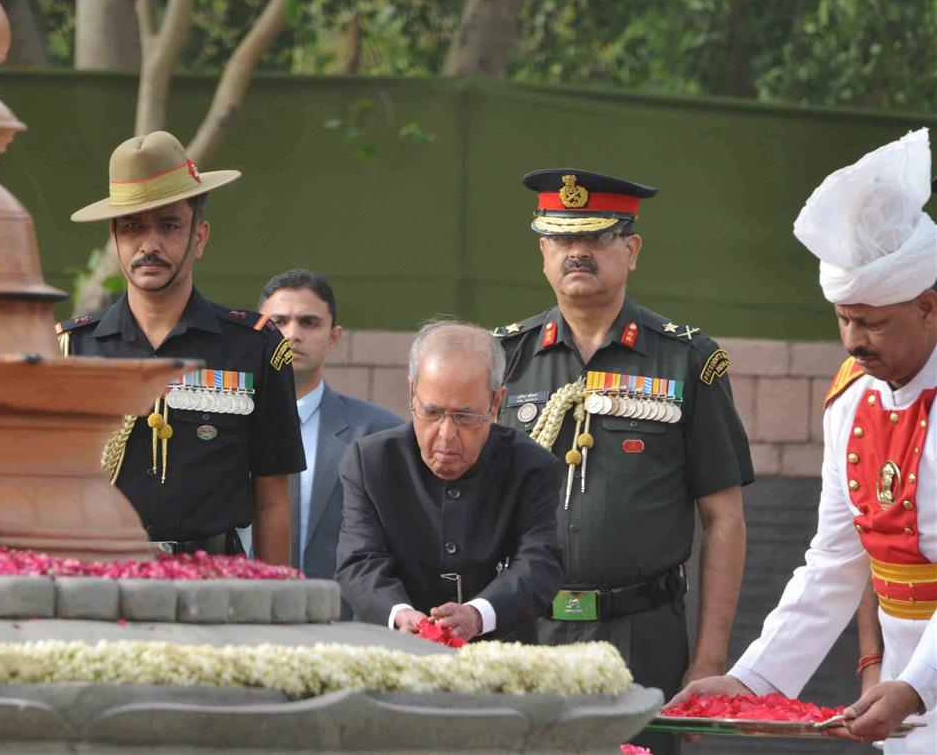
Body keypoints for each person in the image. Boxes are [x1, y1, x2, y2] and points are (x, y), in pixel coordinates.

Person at [674, 128, 936, 753]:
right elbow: (834, 562)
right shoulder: (851, 395)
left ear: (929, 306)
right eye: (843, 318)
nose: (853, 340)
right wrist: (752, 679)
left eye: (873, 322)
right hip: (904, 686)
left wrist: (918, 684)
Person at [492, 169, 753, 754]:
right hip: (523, 632)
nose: (577, 251)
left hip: (642, 636)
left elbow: (725, 519)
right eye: (561, 238)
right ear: (542, 253)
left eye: (596, 236)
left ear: (630, 250)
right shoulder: (503, 359)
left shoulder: (687, 360)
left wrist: (708, 657)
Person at [58, 131, 305, 564]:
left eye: (169, 225)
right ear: (114, 240)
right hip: (98, 580)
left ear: (199, 237)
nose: (149, 245)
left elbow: (272, 500)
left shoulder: (256, 347)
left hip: (215, 582)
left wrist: (273, 611)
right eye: (133, 227)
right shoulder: (70, 349)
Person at [335, 320, 564, 642]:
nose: (446, 435)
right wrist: (400, 615)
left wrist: (477, 615)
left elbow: (539, 563)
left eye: (465, 417)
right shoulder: (371, 462)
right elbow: (359, 560)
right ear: (413, 391)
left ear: (496, 404)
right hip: (390, 651)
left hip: (497, 660)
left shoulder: (531, 467)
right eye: (432, 412)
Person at [258, 269, 402, 595]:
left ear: (334, 337)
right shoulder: (226, 428)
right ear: (257, 331)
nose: (292, 334)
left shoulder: (380, 434)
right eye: (278, 322)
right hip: (242, 621)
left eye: (309, 322)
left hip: (344, 625)